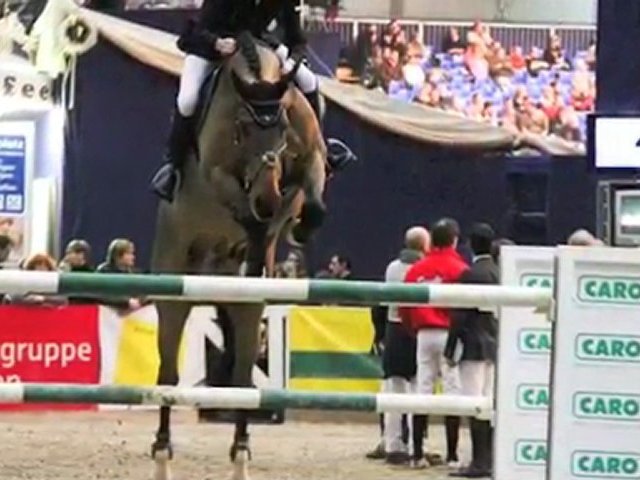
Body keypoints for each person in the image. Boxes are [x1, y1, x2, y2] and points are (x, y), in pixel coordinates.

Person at [150, 0, 355, 203]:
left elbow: (297, 39)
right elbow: (201, 29)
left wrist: (292, 62)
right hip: (210, 45)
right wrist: (217, 43)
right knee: (188, 99)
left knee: (309, 81)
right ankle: (173, 164)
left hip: (259, 43)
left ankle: (322, 149)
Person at [401, 218, 468, 469]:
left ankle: (417, 453)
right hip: (449, 333)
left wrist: (413, 328)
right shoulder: (460, 269)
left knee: (423, 390)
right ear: (454, 240)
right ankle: (452, 455)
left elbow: (404, 305)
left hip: (423, 333)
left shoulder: (416, 269)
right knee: (452, 391)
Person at [445, 223, 498, 478]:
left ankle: (479, 461)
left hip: (474, 345)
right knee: (488, 403)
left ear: (471, 245)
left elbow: (460, 315)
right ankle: (489, 458)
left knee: (474, 404)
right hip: (493, 345)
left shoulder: (470, 274)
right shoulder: (499, 272)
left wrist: (450, 348)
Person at [380, 226, 430, 465]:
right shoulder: (423, 269)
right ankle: (415, 445)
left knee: (394, 390)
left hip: (393, 330)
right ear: (424, 245)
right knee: (418, 390)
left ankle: (392, 444)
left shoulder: (392, 267)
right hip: (414, 330)